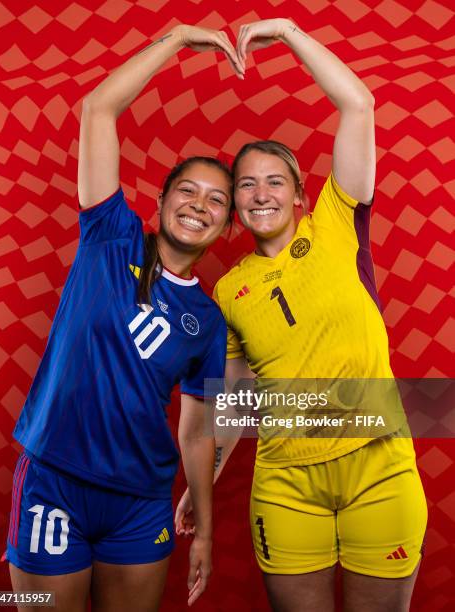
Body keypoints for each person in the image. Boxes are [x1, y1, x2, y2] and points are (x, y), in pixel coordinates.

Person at [176, 18, 427, 612]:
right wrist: (202, 480)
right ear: (235, 203)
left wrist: (286, 32)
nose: (260, 194)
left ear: (299, 193)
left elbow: (358, 104)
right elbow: (236, 401)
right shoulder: (230, 291)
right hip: (287, 487)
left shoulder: (338, 225)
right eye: (245, 185)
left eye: (274, 182)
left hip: (379, 470)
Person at [4, 24, 245, 612]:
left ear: (226, 226)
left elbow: (196, 431)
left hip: (141, 501)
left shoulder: (209, 323)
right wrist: (178, 37)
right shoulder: (110, 239)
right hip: (54, 483)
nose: (199, 204)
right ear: (159, 204)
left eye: (216, 200)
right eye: (186, 191)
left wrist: (206, 531)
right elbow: (98, 109)